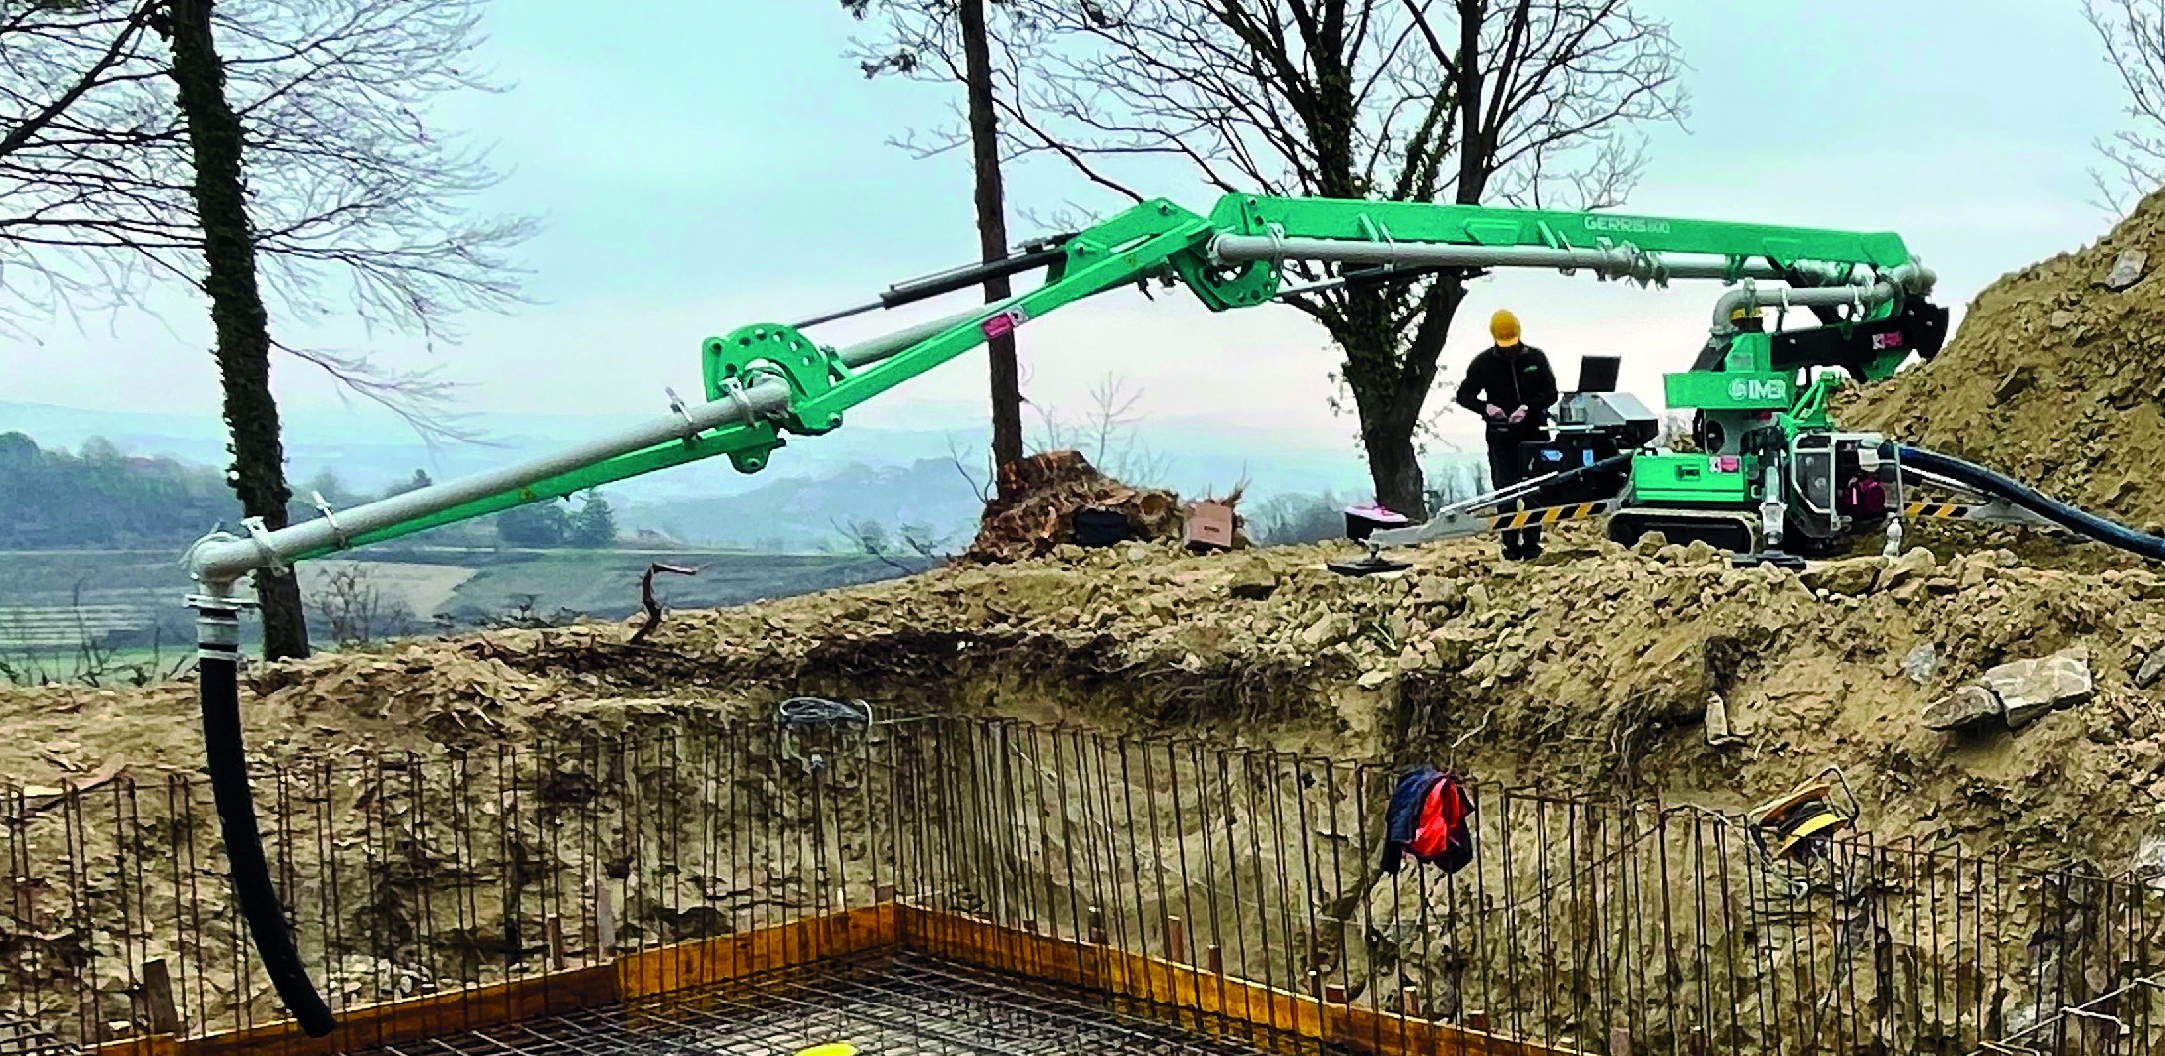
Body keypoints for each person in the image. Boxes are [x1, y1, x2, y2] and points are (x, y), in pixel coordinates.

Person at [1454, 309, 1559, 560]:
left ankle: (1533, 544)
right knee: (1505, 490)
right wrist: (1486, 408)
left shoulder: (1536, 358)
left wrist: (1527, 407)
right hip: (1501, 436)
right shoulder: (1483, 364)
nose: (1509, 350)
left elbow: (1551, 393)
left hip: (1534, 432)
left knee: (1534, 488)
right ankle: (1510, 545)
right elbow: (1463, 396)